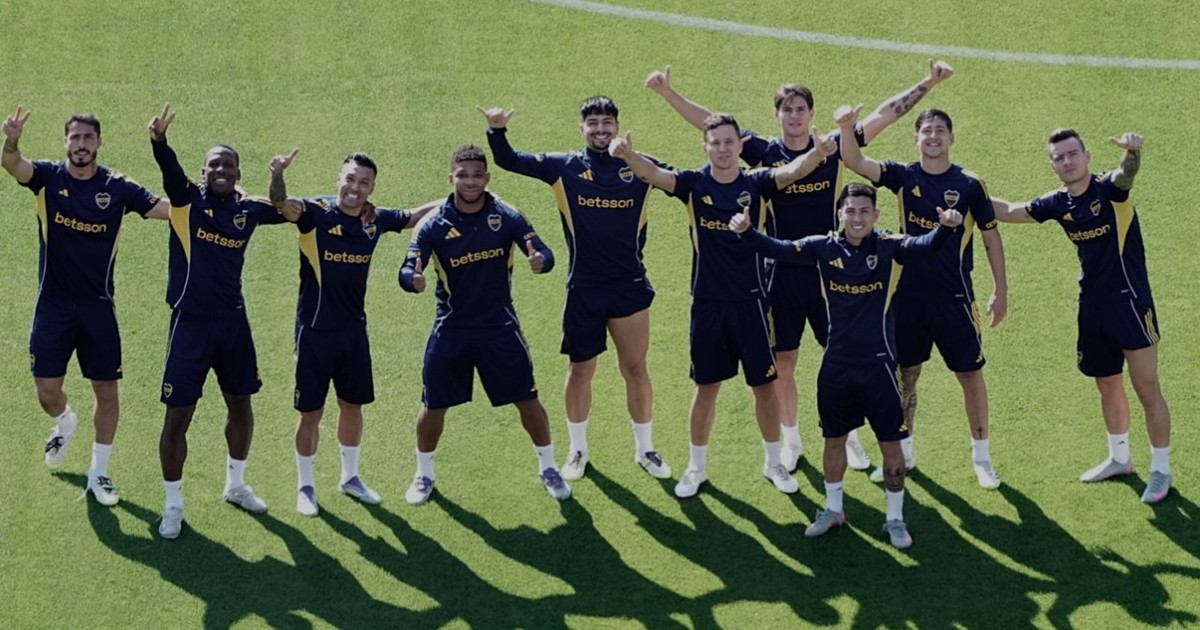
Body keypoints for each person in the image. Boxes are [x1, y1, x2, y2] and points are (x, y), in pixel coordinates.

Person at [645, 60, 955, 473]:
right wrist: (668, 94)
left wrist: (928, 83)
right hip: (780, 273)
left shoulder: (833, 146)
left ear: (811, 114)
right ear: (777, 115)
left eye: (800, 109)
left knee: (846, 355)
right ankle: (791, 440)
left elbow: (885, 115)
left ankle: (850, 437)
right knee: (784, 363)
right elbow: (711, 125)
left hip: (833, 273)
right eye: (787, 110)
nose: (794, 116)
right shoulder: (763, 152)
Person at [608, 113, 833, 499]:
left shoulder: (757, 183)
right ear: (706, 146)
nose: (724, 149)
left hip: (753, 303)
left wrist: (818, 154)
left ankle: (774, 462)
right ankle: (696, 468)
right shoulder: (694, 185)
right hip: (709, 304)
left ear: (740, 146)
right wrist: (628, 155)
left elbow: (792, 172)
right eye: (716, 143)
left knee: (764, 387)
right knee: (706, 387)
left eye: (730, 142)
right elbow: (656, 175)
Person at [729, 182, 965, 549]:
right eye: (850, 211)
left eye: (864, 211)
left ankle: (895, 518)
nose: (857, 218)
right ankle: (833, 510)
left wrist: (947, 228)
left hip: (880, 368)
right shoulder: (822, 247)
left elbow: (925, 245)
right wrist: (747, 232)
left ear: (876, 215)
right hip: (836, 367)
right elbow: (780, 249)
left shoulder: (889, 247)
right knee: (833, 440)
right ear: (840, 213)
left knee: (891, 445)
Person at [479, 97, 669, 482]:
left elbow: (686, 184)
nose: (601, 130)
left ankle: (645, 449)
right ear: (581, 128)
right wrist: (497, 131)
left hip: (630, 287)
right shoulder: (563, 167)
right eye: (593, 123)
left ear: (618, 126)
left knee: (635, 368)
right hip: (584, 287)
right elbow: (510, 161)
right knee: (580, 370)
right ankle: (577, 450)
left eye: (607, 122)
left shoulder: (641, 166)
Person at [992, 129, 1171, 503]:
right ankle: (1119, 458)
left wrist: (1133, 153)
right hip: (1092, 306)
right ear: (1052, 165)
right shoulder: (1058, 203)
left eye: (1073, 154)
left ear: (1087, 156)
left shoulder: (1109, 190)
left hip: (1130, 303)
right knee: (1106, 382)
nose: (1067, 161)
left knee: (1146, 387)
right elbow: (1008, 211)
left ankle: (1161, 470)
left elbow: (1126, 174)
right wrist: (965, 193)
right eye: (1059, 157)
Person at [2, 106, 169, 506]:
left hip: (98, 307)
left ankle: (99, 473)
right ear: (66, 142)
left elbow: (165, 209)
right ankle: (65, 421)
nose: (81, 144)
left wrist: (205, 197)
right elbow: (12, 165)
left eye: (88, 138)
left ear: (99, 143)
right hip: (53, 306)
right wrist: (11, 140)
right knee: (47, 390)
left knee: (106, 391)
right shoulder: (47, 178)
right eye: (75, 137)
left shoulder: (118, 187)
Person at [148, 103, 301, 539]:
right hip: (190, 325)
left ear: (237, 173)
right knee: (179, 415)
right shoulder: (186, 200)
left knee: (240, 403)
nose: (221, 170)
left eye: (228, 165)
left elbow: (285, 209)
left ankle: (235, 485)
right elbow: (169, 171)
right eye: (214, 164)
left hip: (233, 323)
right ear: (203, 172)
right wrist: (159, 140)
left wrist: (277, 176)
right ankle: (173, 506)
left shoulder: (247, 209)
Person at [837, 104, 1007, 489]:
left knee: (970, 374)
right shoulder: (903, 176)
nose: (933, 137)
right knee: (904, 377)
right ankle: (905, 454)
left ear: (951, 138)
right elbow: (854, 160)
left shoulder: (970, 185)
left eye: (940, 130)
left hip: (955, 298)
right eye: (926, 131)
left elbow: (990, 236)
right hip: (907, 298)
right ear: (915, 138)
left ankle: (982, 458)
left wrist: (1001, 289)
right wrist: (846, 127)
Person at [398, 144, 569, 505]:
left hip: (499, 326)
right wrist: (412, 279)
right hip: (452, 328)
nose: (471, 182)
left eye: (477, 175)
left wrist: (541, 260)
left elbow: (542, 250)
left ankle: (549, 467)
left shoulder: (506, 215)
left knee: (528, 400)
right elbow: (408, 266)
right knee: (433, 405)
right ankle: (424, 473)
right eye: (463, 175)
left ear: (487, 178)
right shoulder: (433, 224)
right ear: (451, 178)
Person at [269, 149, 438, 516]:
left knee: (352, 406)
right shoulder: (314, 213)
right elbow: (281, 204)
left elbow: (413, 216)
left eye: (364, 182)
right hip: (313, 333)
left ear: (372, 187)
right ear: (339, 179)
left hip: (352, 333)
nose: (355, 188)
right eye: (350, 179)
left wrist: (460, 197)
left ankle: (350, 477)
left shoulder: (375, 221)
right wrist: (278, 175)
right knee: (310, 413)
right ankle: (305, 486)